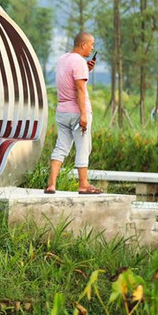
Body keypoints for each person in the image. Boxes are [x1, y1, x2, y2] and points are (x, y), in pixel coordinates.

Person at [45, 32, 102, 195]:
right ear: (83, 44)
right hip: (77, 112)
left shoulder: (63, 59)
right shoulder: (79, 62)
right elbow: (79, 89)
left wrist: (87, 69)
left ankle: (51, 184)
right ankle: (83, 185)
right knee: (83, 147)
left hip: (62, 112)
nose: (92, 48)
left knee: (61, 147)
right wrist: (83, 114)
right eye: (91, 44)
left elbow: (69, 81)